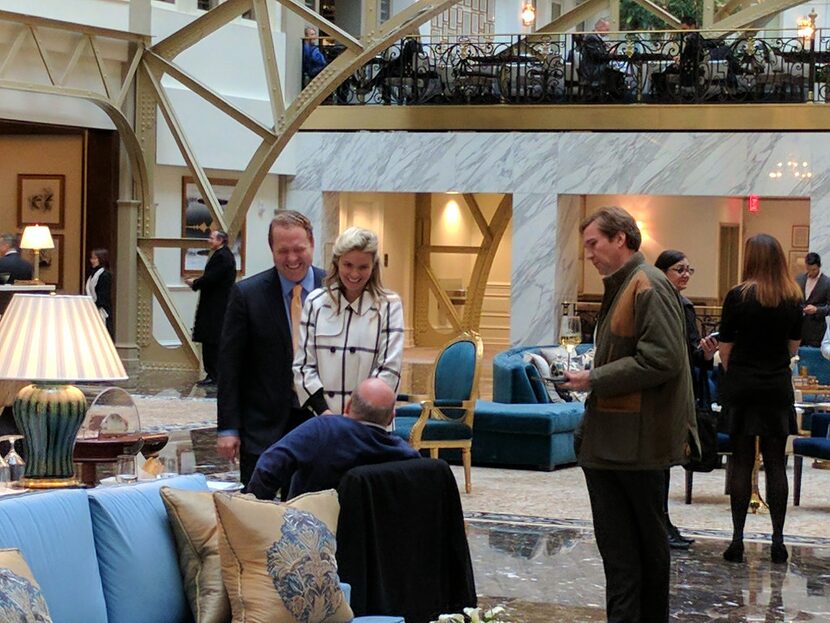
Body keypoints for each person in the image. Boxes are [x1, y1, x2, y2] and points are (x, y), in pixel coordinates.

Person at [561, 207, 695, 623]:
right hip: (616, 443)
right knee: (625, 556)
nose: (589, 254)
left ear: (620, 239)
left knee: (638, 554)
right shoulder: (627, 284)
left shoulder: (648, 285)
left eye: (593, 244)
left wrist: (594, 378)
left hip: (636, 445)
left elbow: (663, 359)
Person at [217, 211, 325, 485]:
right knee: (254, 509)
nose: (292, 259)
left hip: (322, 420)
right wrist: (228, 428)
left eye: (299, 249)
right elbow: (230, 366)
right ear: (272, 250)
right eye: (283, 251)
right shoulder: (247, 295)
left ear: (312, 243)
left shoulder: (335, 290)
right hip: (262, 425)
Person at [718, 233, 802, 565]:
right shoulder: (793, 298)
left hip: (742, 384)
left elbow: (725, 350)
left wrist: (738, 367)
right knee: (776, 463)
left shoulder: (737, 296)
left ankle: (737, 540)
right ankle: (778, 541)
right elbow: (793, 348)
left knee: (740, 462)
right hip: (776, 384)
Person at [247, 378, 419, 500]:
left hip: (313, 536)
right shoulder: (406, 456)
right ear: (391, 418)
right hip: (375, 544)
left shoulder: (322, 430)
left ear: (348, 406)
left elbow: (270, 466)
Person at [294, 226, 404, 417]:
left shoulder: (389, 305)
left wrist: (357, 414)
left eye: (363, 267)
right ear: (337, 263)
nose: (354, 274)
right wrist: (325, 412)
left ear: (373, 267)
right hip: (323, 420)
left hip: (370, 422)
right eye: (348, 265)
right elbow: (303, 367)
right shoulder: (315, 302)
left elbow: (389, 369)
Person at [655, 250, 718, 549]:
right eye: (679, 269)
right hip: (657, 387)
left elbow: (693, 354)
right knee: (658, 461)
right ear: (662, 272)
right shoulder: (653, 300)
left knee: (667, 458)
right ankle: (658, 522)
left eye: (689, 270)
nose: (685, 275)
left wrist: (705, 352)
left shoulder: (685, 306)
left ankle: (663, 521)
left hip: (679, 389)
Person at [185, 230, 236, 386]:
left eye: (211, 238)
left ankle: (213, 374)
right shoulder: (224, 255)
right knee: (212, 339)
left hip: (215, 306)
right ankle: (213, 374)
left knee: (211, 340)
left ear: (220, 240)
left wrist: (195, 283)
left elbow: (212, 278)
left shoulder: (222, 257)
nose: (209, 240)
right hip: (217, 304)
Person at [795, 252, 830, 347]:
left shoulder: (827, 283)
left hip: (816, 331)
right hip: (798, 328)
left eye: (814, 270)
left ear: (820, 266)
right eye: (808, 269)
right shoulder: (799, 279)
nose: (810, 273)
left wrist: (817, 310)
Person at [85, 248, 114, 337]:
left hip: (101, 310)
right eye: (91, 258)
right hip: (92, 308)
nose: (92, 261)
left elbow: (103, 296)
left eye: (95, 258)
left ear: (101, 259)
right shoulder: (92, 275)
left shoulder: (105, 275)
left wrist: (95, 306)